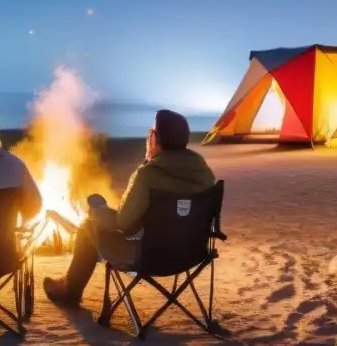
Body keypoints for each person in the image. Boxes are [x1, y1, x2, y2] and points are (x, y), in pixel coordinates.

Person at [43, 109, 216, 307]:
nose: (148, 137)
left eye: (151, 133)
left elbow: (125, 224)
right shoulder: (204, 173)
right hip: (192, 254)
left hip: (150, 257)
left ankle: (70, 292)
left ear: (157, 140)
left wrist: (100, 212)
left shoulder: (148, 175)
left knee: (87, 228)